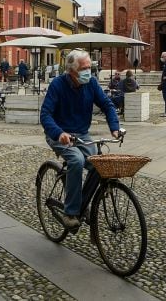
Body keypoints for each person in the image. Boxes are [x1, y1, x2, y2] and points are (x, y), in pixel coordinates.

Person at [39, 49, 121, 230]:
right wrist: (59, 133)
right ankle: (71, 212)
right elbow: (45, 115)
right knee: (76, 160)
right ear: (71, 71)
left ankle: (82, 202)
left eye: (89, 67)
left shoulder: (91, 83)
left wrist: (115, 127)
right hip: (60, 134)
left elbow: (107, 104)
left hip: (81, 135)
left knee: (99, 164)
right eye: (84, 68)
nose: (88, 72)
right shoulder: (58, 85)